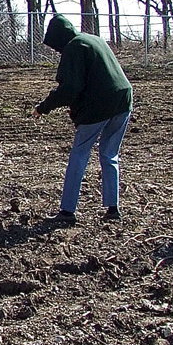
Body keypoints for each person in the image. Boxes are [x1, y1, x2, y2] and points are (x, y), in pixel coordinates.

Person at [34, 13, 134, 225]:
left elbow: (70, 88)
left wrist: (44, 108)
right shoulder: (94, 39)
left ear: (59, 38)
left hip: (100, 105)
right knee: (109, 155)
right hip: (124, 100)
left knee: (80, 153)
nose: (56, 50)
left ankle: (67, 211)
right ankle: (112, 208)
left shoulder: (74, 47)